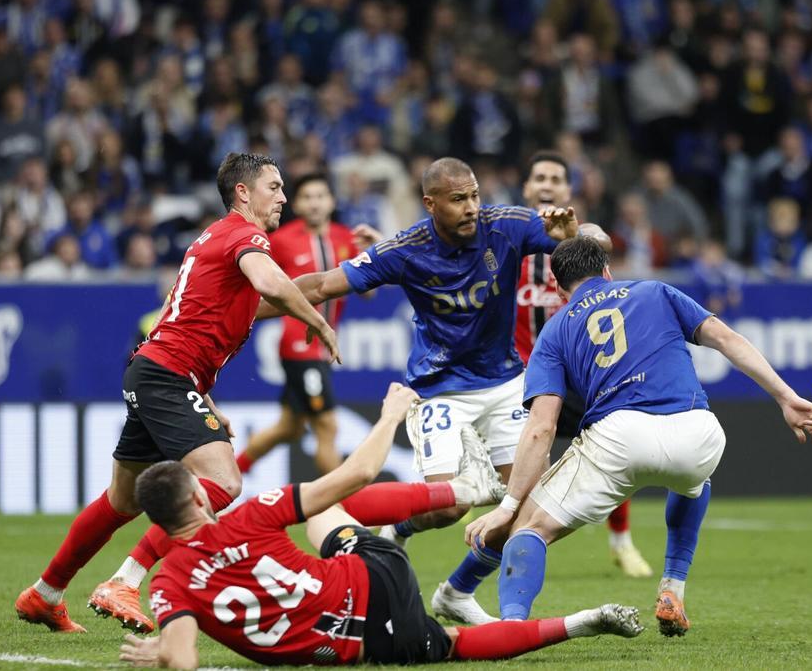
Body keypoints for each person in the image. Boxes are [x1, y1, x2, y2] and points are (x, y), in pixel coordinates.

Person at [15, 153, 340, 634]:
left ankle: (44, 594)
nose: (284, 198)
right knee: (224, 482)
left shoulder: (219, 244)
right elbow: (276, 283)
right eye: (275, 187)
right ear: (243, 193)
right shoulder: (244, 237)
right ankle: (124, 581)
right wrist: (317, 323)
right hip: (165, 376)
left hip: (157, 373)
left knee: (121, 502)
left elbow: (296, 287)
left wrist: (374, 267)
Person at [256, 157, 579, 624]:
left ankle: (458, 592)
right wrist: (241, 313)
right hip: (439, 388)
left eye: (474, 196)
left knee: (525, 507)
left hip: (506, 382)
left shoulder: (506, 224)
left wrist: (572, 232)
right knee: (452, 506)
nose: (471, 207)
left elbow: (584, 246)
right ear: (430, 204)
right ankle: (400, 525)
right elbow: (325, 284)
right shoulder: (406, 249)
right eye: (457, 199)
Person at [116, 383, 643, 668]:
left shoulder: (168, 585)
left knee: (453, 645)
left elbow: (182, 661)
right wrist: (392, 415)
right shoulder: (252, 514)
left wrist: (163, 654)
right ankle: (463, 492)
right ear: (198, 497)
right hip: (373, 574)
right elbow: (358, 473)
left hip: (363, 646)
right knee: (324, 508)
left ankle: (582, 621)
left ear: (160, 524)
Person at [465, 237, 812, 637]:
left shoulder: (554, 330)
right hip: (698, 431)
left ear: (559, 287)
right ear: (606, 270)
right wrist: (787, 398)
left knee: (529, 529)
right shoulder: (655, 290)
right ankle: (673, 588)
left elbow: (542, 428)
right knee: (694, 482)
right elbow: (727, 340)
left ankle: (512, 626)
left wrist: (509, 504)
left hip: (619, 437)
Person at [514, 151, 651, 578]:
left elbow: (600, 238)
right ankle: (515, 530)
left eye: (557, 178)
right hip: (517, 371)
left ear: (568, 191)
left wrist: (581, 233)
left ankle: (621, 541)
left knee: (616, 444)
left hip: (577, 373)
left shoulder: (580, 243)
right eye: (540, 177)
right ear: (526, 187)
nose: (548, 184)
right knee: (522, 458)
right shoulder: (507, 240)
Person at [235, 173, 364, 476]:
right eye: (307, 197)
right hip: (299, 346)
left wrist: (374, 247)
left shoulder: (346, 238)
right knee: (327, 426)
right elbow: (257, 283)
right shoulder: (280, 240)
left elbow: (368, 291)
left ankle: (227, 477)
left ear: (331, 201)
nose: (315, 203)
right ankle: (336, 508)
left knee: (289, 428)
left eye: (321, 196)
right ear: (297, 203)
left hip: (323, 346)